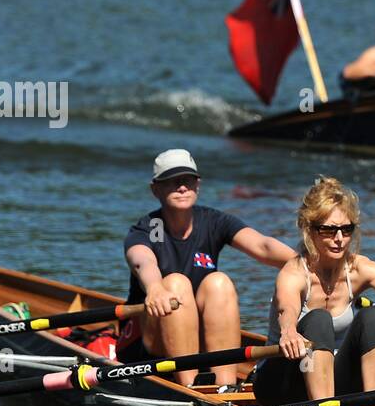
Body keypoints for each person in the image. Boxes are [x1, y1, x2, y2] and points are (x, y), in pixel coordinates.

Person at [253, 178, 375, 406]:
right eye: (328, 230)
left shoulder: (360, 269)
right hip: (284, 381)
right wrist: (288, 332)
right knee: (319, 319)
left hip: (334, 383)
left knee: (374, 316)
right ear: (309, 229)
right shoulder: (294, 273)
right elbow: (287, 309)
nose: (339, 239)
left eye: (346, 229)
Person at [122, 149, 295, 389]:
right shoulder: (151, 228)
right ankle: (190, 388)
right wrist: (154, 288)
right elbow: (142, 260)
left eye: (188, 180)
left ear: (198, 185)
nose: (182, 187)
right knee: (175, 283)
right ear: (156, 189)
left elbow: (263, 246)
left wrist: (311, 265)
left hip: (198, 339)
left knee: (219, 282)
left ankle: (225, 387)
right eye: (172, 181)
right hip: (149, 343)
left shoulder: (214, 221)